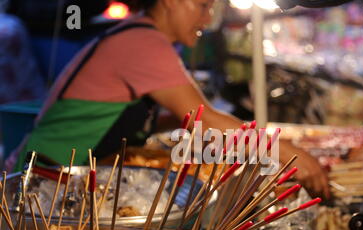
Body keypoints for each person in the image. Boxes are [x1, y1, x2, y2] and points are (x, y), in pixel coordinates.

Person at [7, 0, 329, 198]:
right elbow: (205, 121)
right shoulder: (143, 43)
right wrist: (288, 152)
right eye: (202, 6)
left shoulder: (141, 34)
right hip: (43, 182)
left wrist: (180, 122)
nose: (207, 19)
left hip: (60, 178)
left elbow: (183, 118)